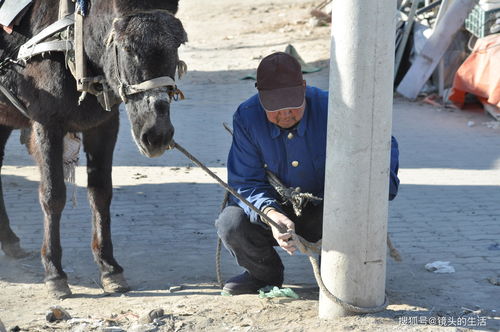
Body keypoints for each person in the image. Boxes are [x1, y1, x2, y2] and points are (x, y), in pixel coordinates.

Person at [215, 52, 400, 295]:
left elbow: (382, 147)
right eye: (275, 108)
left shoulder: (335, 108)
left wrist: (374, 189)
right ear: (260, 95)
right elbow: (245, 182)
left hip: (328, 209)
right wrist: (270, 215)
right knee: (231, 223)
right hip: (275, 207)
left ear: (303, 87)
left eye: (292, 105)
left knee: (344, 254)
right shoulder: (246, 117)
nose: (285, 115)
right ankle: (264, 275)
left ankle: (338, 273)